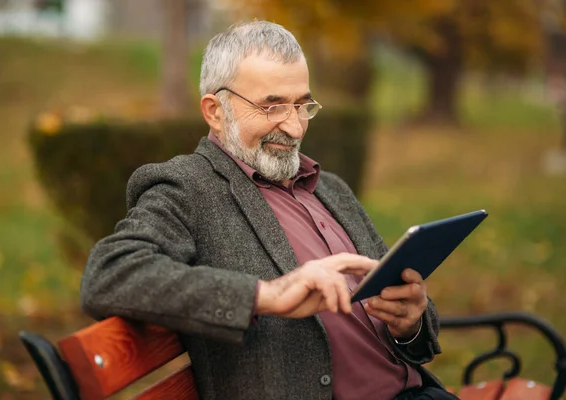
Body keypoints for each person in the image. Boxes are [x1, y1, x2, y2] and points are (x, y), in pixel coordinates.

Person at [80, 20, 458, 400]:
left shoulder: (331, 189)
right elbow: (110, 273)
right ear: (215, 111)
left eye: (301, 105)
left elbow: (416, 335)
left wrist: (409, 323)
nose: (294, 127)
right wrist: (267, 295)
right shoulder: (187, 187)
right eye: (273, 106)